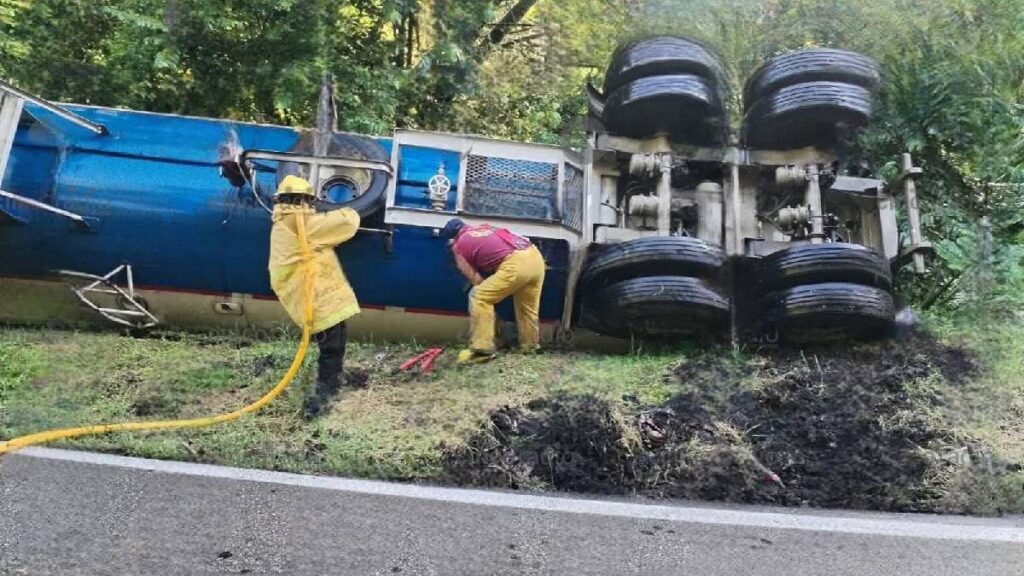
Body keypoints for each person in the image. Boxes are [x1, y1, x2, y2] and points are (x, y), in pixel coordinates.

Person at [268, 175, 361, 418]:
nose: (311, 207)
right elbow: (346, 223)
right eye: (309, 202)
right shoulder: (301, 223)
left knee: (334, 342)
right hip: (313, 295)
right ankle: (323, 398)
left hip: (311, 292)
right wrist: (353, 208)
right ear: (305, 201)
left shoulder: (284, 221)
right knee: (332, 346)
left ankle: (335, 379)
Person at [442, 218, 546, 363]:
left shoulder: (457, 246)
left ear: (452, 238)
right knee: (527, 308)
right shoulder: (487, 228)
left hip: (515, 263)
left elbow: (477, 280)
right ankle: (530, 347)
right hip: (535, 258)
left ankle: (482, 350)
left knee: (479, 296)